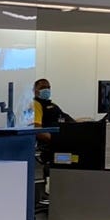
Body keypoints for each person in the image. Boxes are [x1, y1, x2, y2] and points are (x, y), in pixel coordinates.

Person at [31, 78, 76, 211]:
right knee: (66, 159)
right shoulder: (36, 105)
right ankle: (49, 192)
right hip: (49, 147)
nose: (46, 90)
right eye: (42, 87)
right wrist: (55, 139)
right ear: (35, 91)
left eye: (48, 87)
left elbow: (69, 120)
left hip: (61, 144)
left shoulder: (54, 106)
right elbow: (37, 129)